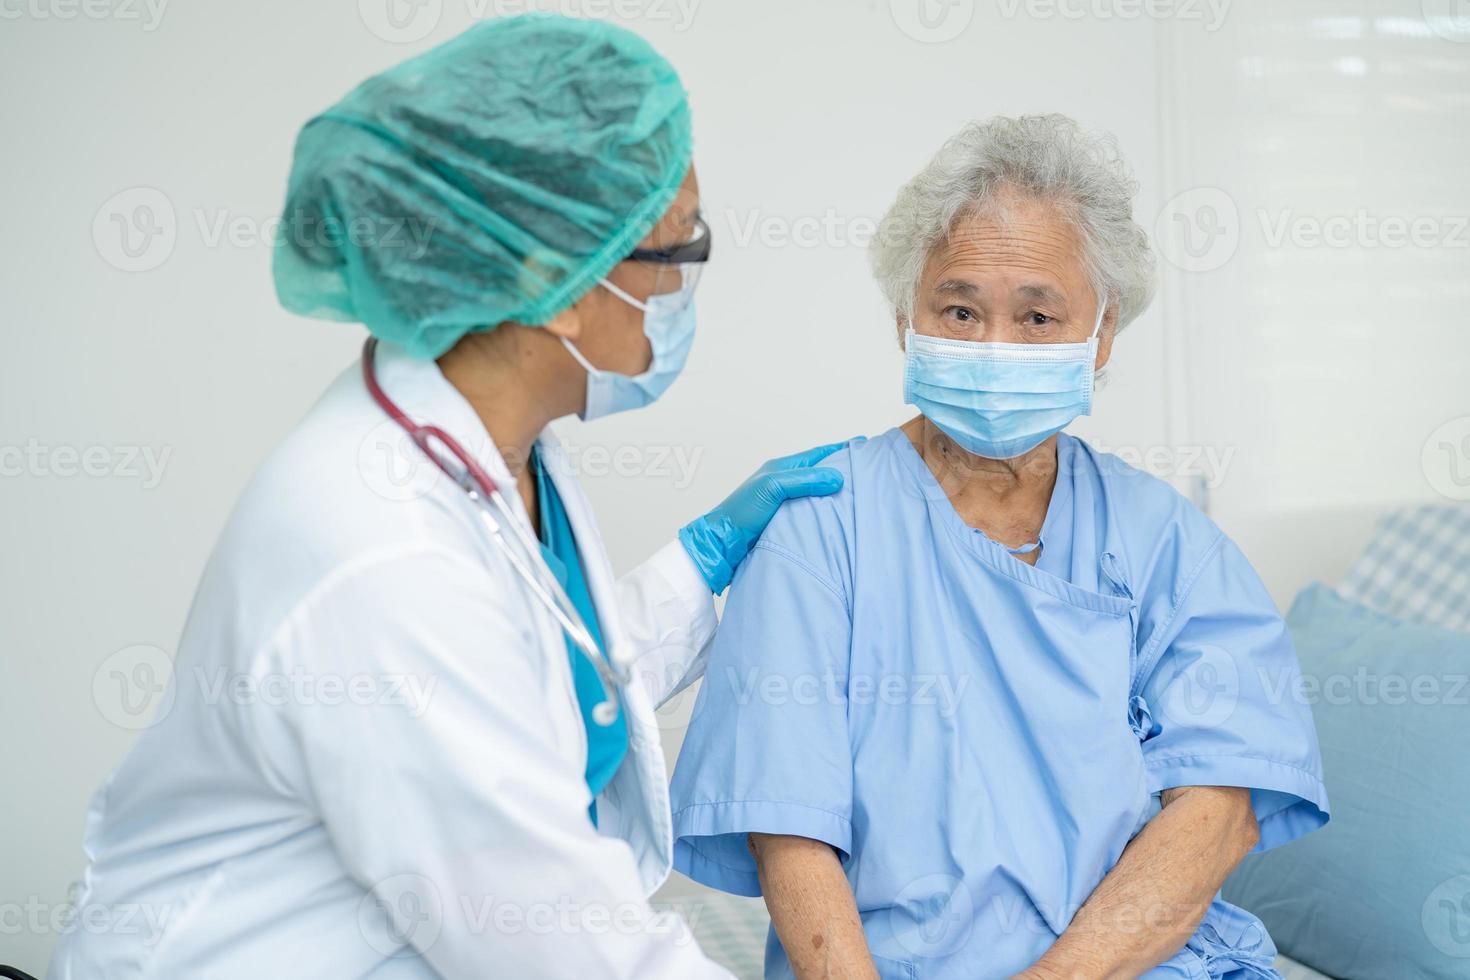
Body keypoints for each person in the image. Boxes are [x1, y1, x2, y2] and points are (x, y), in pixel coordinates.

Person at [49, 16, 844, 979]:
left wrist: (703, 556)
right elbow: (562, 943)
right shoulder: (380, 550)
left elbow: (529, 671)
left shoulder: (488, 442)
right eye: (679, 253)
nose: (687, 292)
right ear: (556, 285)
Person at [668, 115, 1330, 979]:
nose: (994, 347)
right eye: (960, 308)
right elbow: (787, 828)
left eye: (1038, 315)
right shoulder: (819, 524)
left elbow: (1219, 808)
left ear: (1102, 334)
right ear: (907, 320)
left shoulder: (1166, 540)